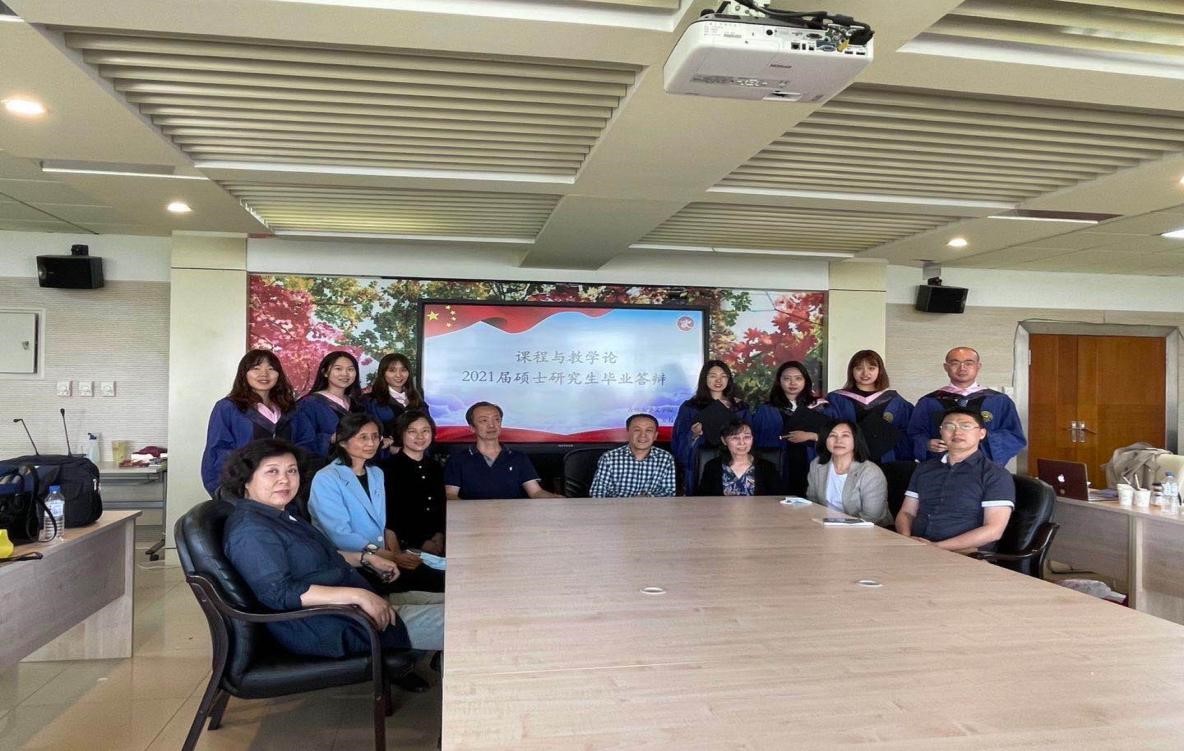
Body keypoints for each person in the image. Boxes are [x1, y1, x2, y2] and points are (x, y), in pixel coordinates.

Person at [220, 438, 444, 662]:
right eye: (272, 471)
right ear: (246, 479)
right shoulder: (251, 531)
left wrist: (366, 558)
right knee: (461, 621)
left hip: (354, 605)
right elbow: (279, 593)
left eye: (292, 470)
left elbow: (320, 556)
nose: (284, 480)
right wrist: (359, 595)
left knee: (455, 600)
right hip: (333, 624)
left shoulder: (281, 516)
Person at [309, 413, 444, 596]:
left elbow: (386, 521)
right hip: (352, 565)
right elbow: (340, 535)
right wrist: (387, 555)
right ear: (342, 441)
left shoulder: (376, 473)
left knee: (446, 578)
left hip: (384, 560)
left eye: (375, 437)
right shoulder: (327, 478)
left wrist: (395, 554)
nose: (371, 443)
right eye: (363, 437)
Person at [895, 407, 1015, 552]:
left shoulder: (995, 475)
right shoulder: (924, 469)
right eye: (949, 426)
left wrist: (936, 547)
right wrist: (906, 540)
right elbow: (907, 512)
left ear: (982, 433)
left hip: (964, 553)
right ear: (941, 432)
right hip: (915, 548)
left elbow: (994, 530)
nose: (957, 432)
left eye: (966, 426)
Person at [906, 346, 1026, 466]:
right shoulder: (929, 401)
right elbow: (914, 434)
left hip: (984, 469)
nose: (962, 368)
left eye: (969, 363)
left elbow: (1014, 436)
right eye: (955, 363)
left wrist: (980, 438)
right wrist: (926, 444)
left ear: (978, 367)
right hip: (939, 468)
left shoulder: (999, 401)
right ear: (946, 367)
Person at [200, 349, 296, 496]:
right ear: (244, 373)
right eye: (256, 368)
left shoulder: (286, 408)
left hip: (282, 485)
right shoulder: (229, 407)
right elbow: (218, 450)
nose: (264, 374)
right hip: (245, 487)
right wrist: (232, 487)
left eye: (271, 369)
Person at [444, 402, 560, 500]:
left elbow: (535, 492)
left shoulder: (518, 458)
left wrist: (560, 500)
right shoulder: (458, 460)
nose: (491, 425)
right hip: (473, 517)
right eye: (484, 420)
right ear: (472, 428)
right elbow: (450, 494)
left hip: (513, 517)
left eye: (496, 419)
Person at [752, 360, 828, 496]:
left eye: (798, 378)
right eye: (787, 379)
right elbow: (757, 441)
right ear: (779, 381)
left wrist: (811, 436)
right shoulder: (766, 409)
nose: (793, 383)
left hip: (811, 460)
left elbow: (834, 435)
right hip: (779, 464)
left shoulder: (820, 407)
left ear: (806, 381)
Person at [673, 360, 749, 494]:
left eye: (723, 376)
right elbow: (679, 440)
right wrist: (693, 435)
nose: (718, 380)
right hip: (698, 461)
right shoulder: (690, 407)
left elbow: (749, 437)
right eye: (713, 376)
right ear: (704, 378)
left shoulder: (739, 407)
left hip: (732, 460)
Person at [824, 350, 913, 463]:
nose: (865, 373)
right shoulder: (837, 399)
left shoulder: (895, 400)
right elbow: (827, 431)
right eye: (859, 368)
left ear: (880, 370)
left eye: (871, 368)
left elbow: (908, 433)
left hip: (886, 461)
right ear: (852, 371)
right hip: (848, 461)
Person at [378, 409, 446, 557]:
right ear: (401, 434)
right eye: (412, 431)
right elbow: (390, 514)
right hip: (404, 547)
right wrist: (420, 542)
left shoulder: (435, 466)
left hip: (439, 542)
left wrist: (440, 534)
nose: (420, 436)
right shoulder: (387, 469)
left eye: (425, 431)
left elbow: (441, 505)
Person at [805, 420, 891, 526]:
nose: (838, 441)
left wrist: (837, 528)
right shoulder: (817, 464)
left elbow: (871, 517)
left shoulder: (870, 472)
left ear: (856, 440)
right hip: (824, 526)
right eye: (832, 435)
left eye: (845, 435)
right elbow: (813, 501)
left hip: (865, 530)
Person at [290, 351, 364, 460]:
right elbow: (300, 443)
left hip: (356, 466)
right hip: (322, 467)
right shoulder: (308, 404)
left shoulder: (358, 404)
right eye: (338, 369)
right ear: (325, 372)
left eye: (350, 369)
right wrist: (330, 438)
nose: (345, 374)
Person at [588, 413, 676, 498]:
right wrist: (627, 503)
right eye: (637, 430)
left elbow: (669, 493)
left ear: (655, 435)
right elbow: (597, 493)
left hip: (651, 507)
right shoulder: (609, 458)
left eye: (649, 430)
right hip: (615, 507)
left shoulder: (666, 459)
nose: (643, 435)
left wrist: (645, 499)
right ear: (628, 433)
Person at [362, 352, 428, 455]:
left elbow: (428, 428)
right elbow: (365, 432)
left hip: (417, 455)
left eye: (403, 370)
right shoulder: (371, 401)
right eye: (392, 370)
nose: (398, 375)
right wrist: (388, 446)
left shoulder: (417, 399)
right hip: (387, 457)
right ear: (383, 373)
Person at [698, 418, 782, 496]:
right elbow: (702, 500)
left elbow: (777, 500)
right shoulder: (712, 466)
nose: (742, 443)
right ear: (724, 440)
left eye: (747, 437)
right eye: (735, 438)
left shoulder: (767, 467)